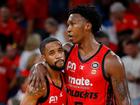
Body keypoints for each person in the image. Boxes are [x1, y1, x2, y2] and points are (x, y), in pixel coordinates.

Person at [30, 5, 131, 105]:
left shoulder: (111, 61)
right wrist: (38, 66)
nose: (68, 29)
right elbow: (44, 60)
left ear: (87, 26)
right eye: (68, 25)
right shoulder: (67, 50)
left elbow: (123, 101)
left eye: (72, 24)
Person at [20, 37, 67, 105]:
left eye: (60, 50)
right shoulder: (39, 84)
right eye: (52, 53)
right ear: (44, 58)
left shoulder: (67, 77)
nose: (58, 56)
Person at [122, 39, 140, 105]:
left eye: (130, 49)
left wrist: (135, 79)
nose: (127, 51)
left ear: (136, 47)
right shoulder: (123, 60)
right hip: (127, 96)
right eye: (126, 49)